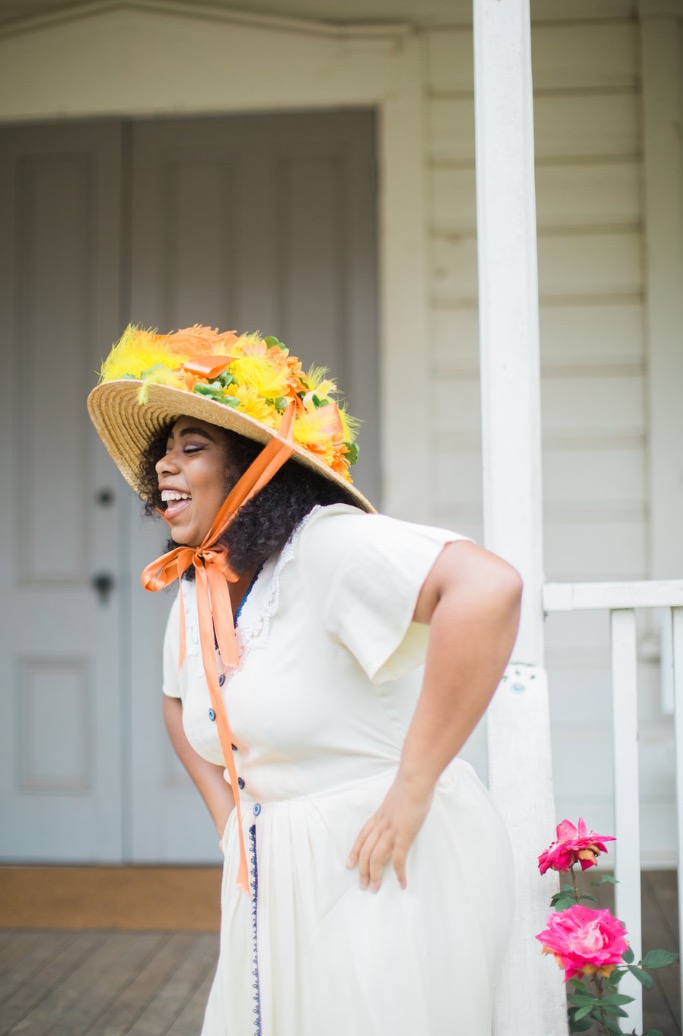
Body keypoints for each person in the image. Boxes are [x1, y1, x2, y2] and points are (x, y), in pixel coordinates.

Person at [88, 323, 521, 1036]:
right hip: (274, 877)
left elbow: (487, 589)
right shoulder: (201, 585)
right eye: (161, 451)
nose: (163, 465)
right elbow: (177, 705)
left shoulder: (327, 546)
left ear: (255, 467)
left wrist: (413, 786)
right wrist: (230, 824)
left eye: (192, 447)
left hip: (384, 859)